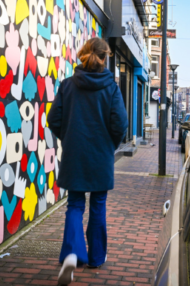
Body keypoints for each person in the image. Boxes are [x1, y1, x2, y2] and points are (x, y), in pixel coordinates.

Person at [47, 38, 128, 285]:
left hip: (75, 154)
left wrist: (69, 137)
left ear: (84, 55)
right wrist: (109, 145)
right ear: (104, 58)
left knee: (74, 204)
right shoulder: (111, 88)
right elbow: (120, 125)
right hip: (100, 157)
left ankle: (72, 254)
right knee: (98, 204)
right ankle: (95, 257)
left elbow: (54, 119)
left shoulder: (68, 85)